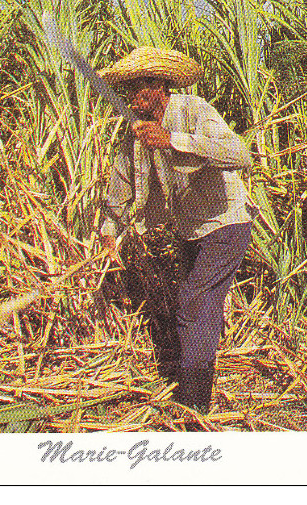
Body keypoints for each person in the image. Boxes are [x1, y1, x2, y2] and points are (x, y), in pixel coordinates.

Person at [97, 46, 256, 414]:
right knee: (201, 308)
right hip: (188, 232)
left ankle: (193, 405)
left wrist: (172, 139)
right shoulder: (132, 134)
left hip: (225, 223)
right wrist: (109, 232)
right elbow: (119, 190)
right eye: (127, 89)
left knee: (194, 303)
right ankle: (196, 383)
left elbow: (239, 154)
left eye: (138, 86)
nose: (131, 97)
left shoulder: (194, 110)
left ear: (159, 85)